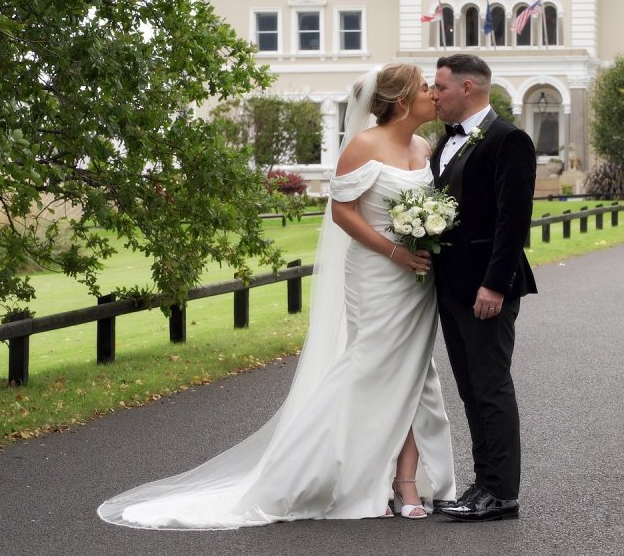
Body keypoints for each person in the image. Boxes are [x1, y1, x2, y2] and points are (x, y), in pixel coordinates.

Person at [98, 63, 455, 529]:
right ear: (403, 100)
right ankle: (304, 475)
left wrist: (424, 241)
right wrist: (395, 251)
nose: (434, 94)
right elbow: (343, 213)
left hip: (416, 281)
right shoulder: (364, 146)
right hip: (377, 274)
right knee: (368, 371)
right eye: (425, 87)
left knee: (414, 375)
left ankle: (403, 481)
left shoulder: (424, 146)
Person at [429, 54, 537, 522]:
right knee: (470, 388)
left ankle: (503, 493)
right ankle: (482, 484)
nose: (433, 95)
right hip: (450, 287)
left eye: (440, 87)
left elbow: (513, 222)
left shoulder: (509, 140)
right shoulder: (442, 143)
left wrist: (495, 285)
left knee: (491, 387)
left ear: (468, 88)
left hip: (487, 289)